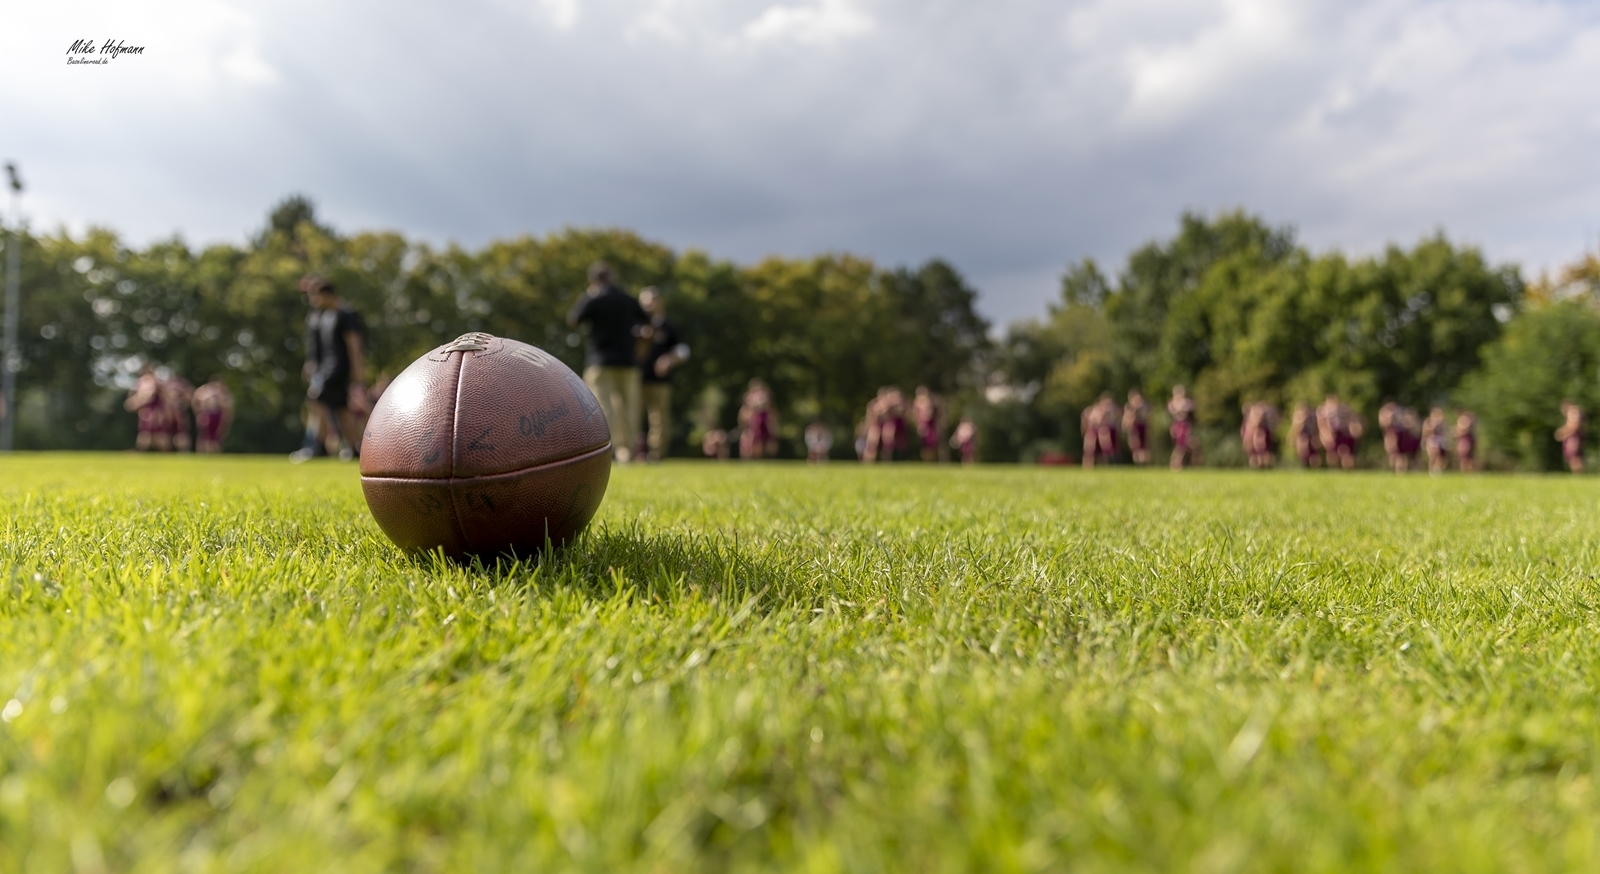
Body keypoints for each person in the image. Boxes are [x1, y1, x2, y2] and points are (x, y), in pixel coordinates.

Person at [567, 262, 646, 463]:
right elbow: (647, 324)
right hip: (628, 362)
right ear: (612, 278)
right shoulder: (628, 299)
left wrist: (589, 295)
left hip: (600, 361)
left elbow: (574, 319)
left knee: (602, 408)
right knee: (629, 409)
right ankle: (627, 452)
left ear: (594, 280)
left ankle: (605, 451)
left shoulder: (593, 299)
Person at [293, 275, 369, 461]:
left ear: (327, 295)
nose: (312, 301)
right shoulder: (325, 316)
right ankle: (353, 448)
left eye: (315, 296)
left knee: (315, 398)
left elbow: (354, 345)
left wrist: (357, 372)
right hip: (326, 368)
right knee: (342, 408)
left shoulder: (347, 315)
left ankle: (318, 446)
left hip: (337, 368)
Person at [636, 286, 689, 462]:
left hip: (660, 381)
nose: (647, 305)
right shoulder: (637, 325)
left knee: (659, 419)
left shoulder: (669, 326)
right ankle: (632, 453)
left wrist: (669, 360)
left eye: (650, 301)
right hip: (636, 379)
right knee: (633, 417)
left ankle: (656, 455)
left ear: (659, 302)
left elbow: (683, 350)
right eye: (643, 302)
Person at [124, 365, 170, 452]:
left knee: (156, 435)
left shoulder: (153, 382)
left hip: (155, 412)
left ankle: (162, 453)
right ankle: (144, 452)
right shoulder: (142, 382)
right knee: (147, 434)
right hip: (148, 411)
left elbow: (148, 396)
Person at [1316, 394, 1361, 470]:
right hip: (1332, 433)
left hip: (1343, 432)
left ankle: (1348, 470)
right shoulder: (1323, 411)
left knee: (1346, 452)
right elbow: (1321, 424)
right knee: (1332, 453)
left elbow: (1351, 420)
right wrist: (1325, 434)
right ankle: (1334, 469)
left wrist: (1354, 429)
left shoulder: (1343, 409)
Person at [737, 378, 779, 459]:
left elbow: (772, 411)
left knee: (769, 442)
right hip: (754, 422)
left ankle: (767, 458)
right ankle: (752, 458)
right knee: (752, 442)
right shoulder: (749, 397)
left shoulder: (766, 397)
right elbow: (744, 411)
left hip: (764, 422)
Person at [192, 375, 234, 454]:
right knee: (204, 436)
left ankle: (214, 455)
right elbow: (196, 401)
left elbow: (228, 407)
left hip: (217, 416)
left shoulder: (222, 392)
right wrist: (199, 413)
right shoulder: (204, 391)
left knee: (216, 437)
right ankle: (202, 454)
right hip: (206, 415)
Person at [1081, 392, 1120, 469]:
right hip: (1093, 432)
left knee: (1103, 452)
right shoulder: (1094, 410)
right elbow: (1086, 419)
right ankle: (1087, 467)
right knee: (1090, 451)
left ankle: (1103, 468)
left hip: (1102, 433)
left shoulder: (1108, 412)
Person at [912, 386, 947, 462]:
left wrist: (940, 424)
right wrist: (918, 425)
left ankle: (935, 460)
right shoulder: (917, 404)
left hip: (932, 426)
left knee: (934, 444)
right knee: (924, 446)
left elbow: (940, 414)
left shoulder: (934, 403)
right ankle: (927, 460)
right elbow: (916, 415)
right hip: (923, 426)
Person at [162, 373, 194, 453]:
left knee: (181, 435)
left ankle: (184, 452)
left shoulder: (182, 387)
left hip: (179, 411)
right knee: (165, 435)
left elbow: (190, 398)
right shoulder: (166, 386)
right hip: (168, 412)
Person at [1167, 385, 1197, 469]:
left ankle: (1177, 463)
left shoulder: (1187, 403)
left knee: (1184, 446)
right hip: (1177, 426)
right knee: (1180, 446)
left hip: (1185, 426)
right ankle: (1175, 463)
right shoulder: (1172, 404)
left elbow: (1191, 416)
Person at [1123, 390, 1151, 465]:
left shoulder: (1143, 406)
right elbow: (1127, 420)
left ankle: (1144, 463)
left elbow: (1147, 417)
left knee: (1143, 446)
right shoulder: (1129, 407)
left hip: (1141, 427)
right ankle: (1139, 463)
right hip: (1134, 429)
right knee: (1135, 446)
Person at [1557, 401, 1585, 473]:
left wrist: (1563, 433)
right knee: (1573, 457)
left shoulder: (1573, 413)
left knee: (1574, 457)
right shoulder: (1576, 412)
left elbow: (1574, 425)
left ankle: (1579, 475)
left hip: (1573, 437)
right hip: (1574, 436)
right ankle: (1578, 475)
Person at [1289, 403, 1320, 468]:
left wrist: (1292, 436)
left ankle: (1306, 466)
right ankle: (1311, 467)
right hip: (1310, 435)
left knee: (1303, 452)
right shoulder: (1312, 416)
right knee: (1312, 453)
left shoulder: (1301, 416)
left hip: (1303, 435)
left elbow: (1297, 427)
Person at [1421, 406, 1449, 475]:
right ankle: (1431, 471)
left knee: (1442, 457)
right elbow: (1425, 432)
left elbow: (1445, 432)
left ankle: (1438, 469)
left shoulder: (1442, 422)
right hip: (1432, 440)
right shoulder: (1428, 422)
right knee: (1433, 456)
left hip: (1441, 440)